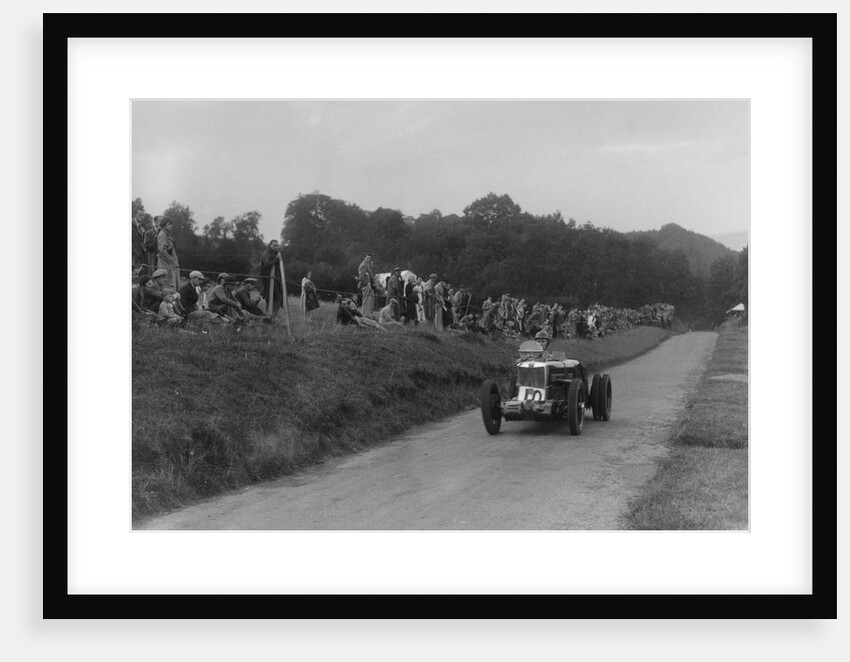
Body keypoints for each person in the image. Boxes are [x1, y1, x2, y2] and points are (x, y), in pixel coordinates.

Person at [259, 240, 284, 318]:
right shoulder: (267, 253)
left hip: (275, 279)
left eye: (277, 245)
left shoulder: (277, 254)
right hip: (268, 279)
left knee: (277, 298)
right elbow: (266, 265)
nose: (276, 247)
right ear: (270, 245)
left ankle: (270, 316)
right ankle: (270, 316)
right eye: (274, 245)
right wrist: (276, 259)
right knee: (271, 298)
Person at [156, 216, 180, 290]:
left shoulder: (166, 234)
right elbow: (162, 250)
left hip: (168, 264)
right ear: (164, 224)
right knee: (168, 284)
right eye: (169, 224)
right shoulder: (162, 234)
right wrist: (172, 261)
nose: (171, 226)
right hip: (165, 264)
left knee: (171, 284)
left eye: (171, 224)